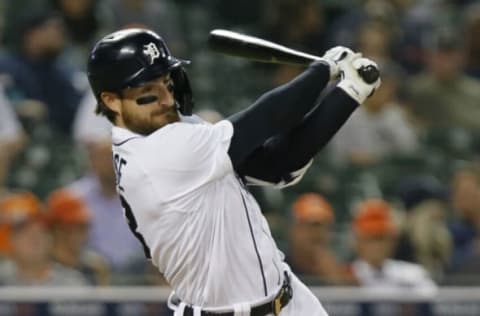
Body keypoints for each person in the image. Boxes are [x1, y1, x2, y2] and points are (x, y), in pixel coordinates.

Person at [87, 28, 380, 315]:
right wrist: (323, 70)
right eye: (147, 91)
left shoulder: (178, 131)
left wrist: (348, 92)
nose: (165, 98)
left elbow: (279, 163)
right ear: (111, 100)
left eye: (166, 81)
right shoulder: (153, 155)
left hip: (290, 299)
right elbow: (264, 119)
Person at [349, 198, 437, 296]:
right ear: (356, 242)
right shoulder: (346, 275)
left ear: (392, 241)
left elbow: (434, 302)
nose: (376, 246)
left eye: (381, 238)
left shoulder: (413, 275)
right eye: (370, 238)